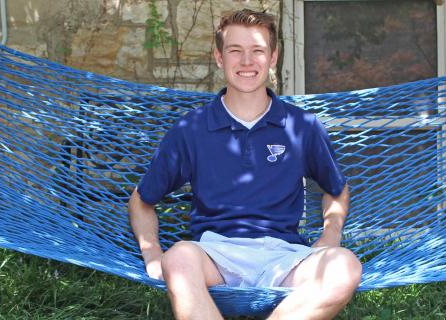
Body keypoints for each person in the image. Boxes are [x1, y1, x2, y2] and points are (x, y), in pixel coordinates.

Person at [128, 9, 361, 320]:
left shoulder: (302, 126)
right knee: (179, 258)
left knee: (345, 266)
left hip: (285, 256)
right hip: (215, 254)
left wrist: (330, 236)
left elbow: (336, 189)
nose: (247, 61)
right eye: (235, 51)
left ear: (273, 57)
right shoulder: (192, 129)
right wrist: (153, 254)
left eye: (257, 51)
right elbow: (141, 200)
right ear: (219, 58)